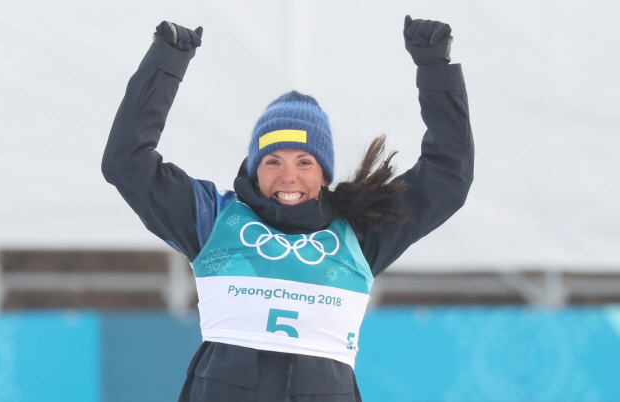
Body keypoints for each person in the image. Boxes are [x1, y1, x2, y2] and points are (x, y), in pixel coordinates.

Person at [102, 15, 473, 402]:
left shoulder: (359, 234)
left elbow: (447, 178)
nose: (288, 176)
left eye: (304, 162)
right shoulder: (212, 219)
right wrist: (167, 61)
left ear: (325, 174)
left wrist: (435, 69)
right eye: (273, 161)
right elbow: (126, 162)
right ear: (254, 169)